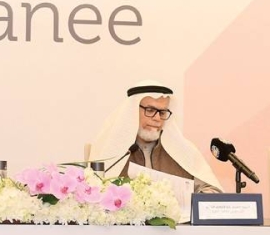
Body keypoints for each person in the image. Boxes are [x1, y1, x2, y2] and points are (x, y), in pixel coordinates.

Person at [89, 81, 223, 193]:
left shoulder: (182, 150)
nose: (157, 118)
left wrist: (189, 203)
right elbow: (91, 192)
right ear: (132, 112)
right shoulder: (111, 151)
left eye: (162, 112)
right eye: (150, 110)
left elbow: (213, 191)